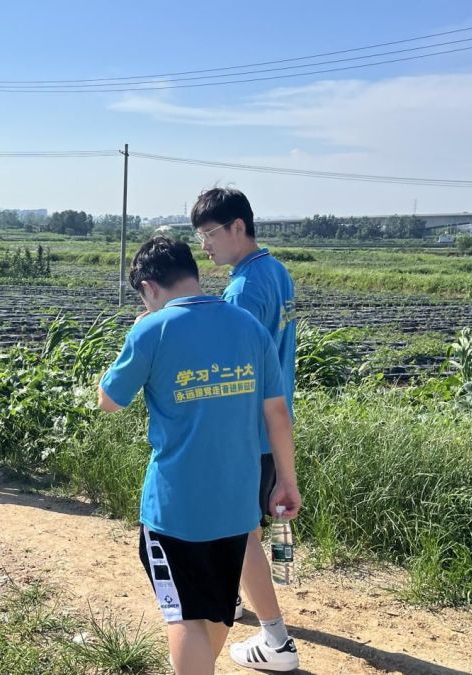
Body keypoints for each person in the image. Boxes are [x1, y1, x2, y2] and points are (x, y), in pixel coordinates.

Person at [98, 236, 301, 675]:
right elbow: (278, 412)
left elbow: (109, 400)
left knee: (184, 616)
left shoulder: (152, 329)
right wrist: (287, 480)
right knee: (216, 610)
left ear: (149, 288)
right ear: (192, 273)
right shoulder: (247, 326)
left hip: (175, 509)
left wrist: (137, 332)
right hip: (238, 501)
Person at [191, 187, 299, 672]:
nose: (204, 246)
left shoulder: (242, 290)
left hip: (245, 429)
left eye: (210, 234)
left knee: (241, 532)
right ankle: (233, 603)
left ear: (238, 227)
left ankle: (277, 641)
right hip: (269, 422)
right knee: (242, 528)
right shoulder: (275, 272)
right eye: (199, 237)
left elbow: (233, 366)